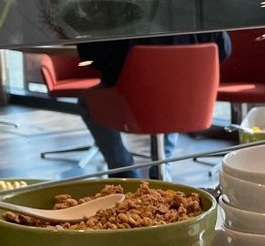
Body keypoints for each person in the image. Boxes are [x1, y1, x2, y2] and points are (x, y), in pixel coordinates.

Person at [75, 32, 231, 173]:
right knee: (170, 95)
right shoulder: (195, 16)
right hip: (188, 99)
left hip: (130, 101)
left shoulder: (119, 18)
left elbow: (93, 58)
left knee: (87, 101)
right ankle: (162, 166)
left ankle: (122, 167)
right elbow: (224, 50)